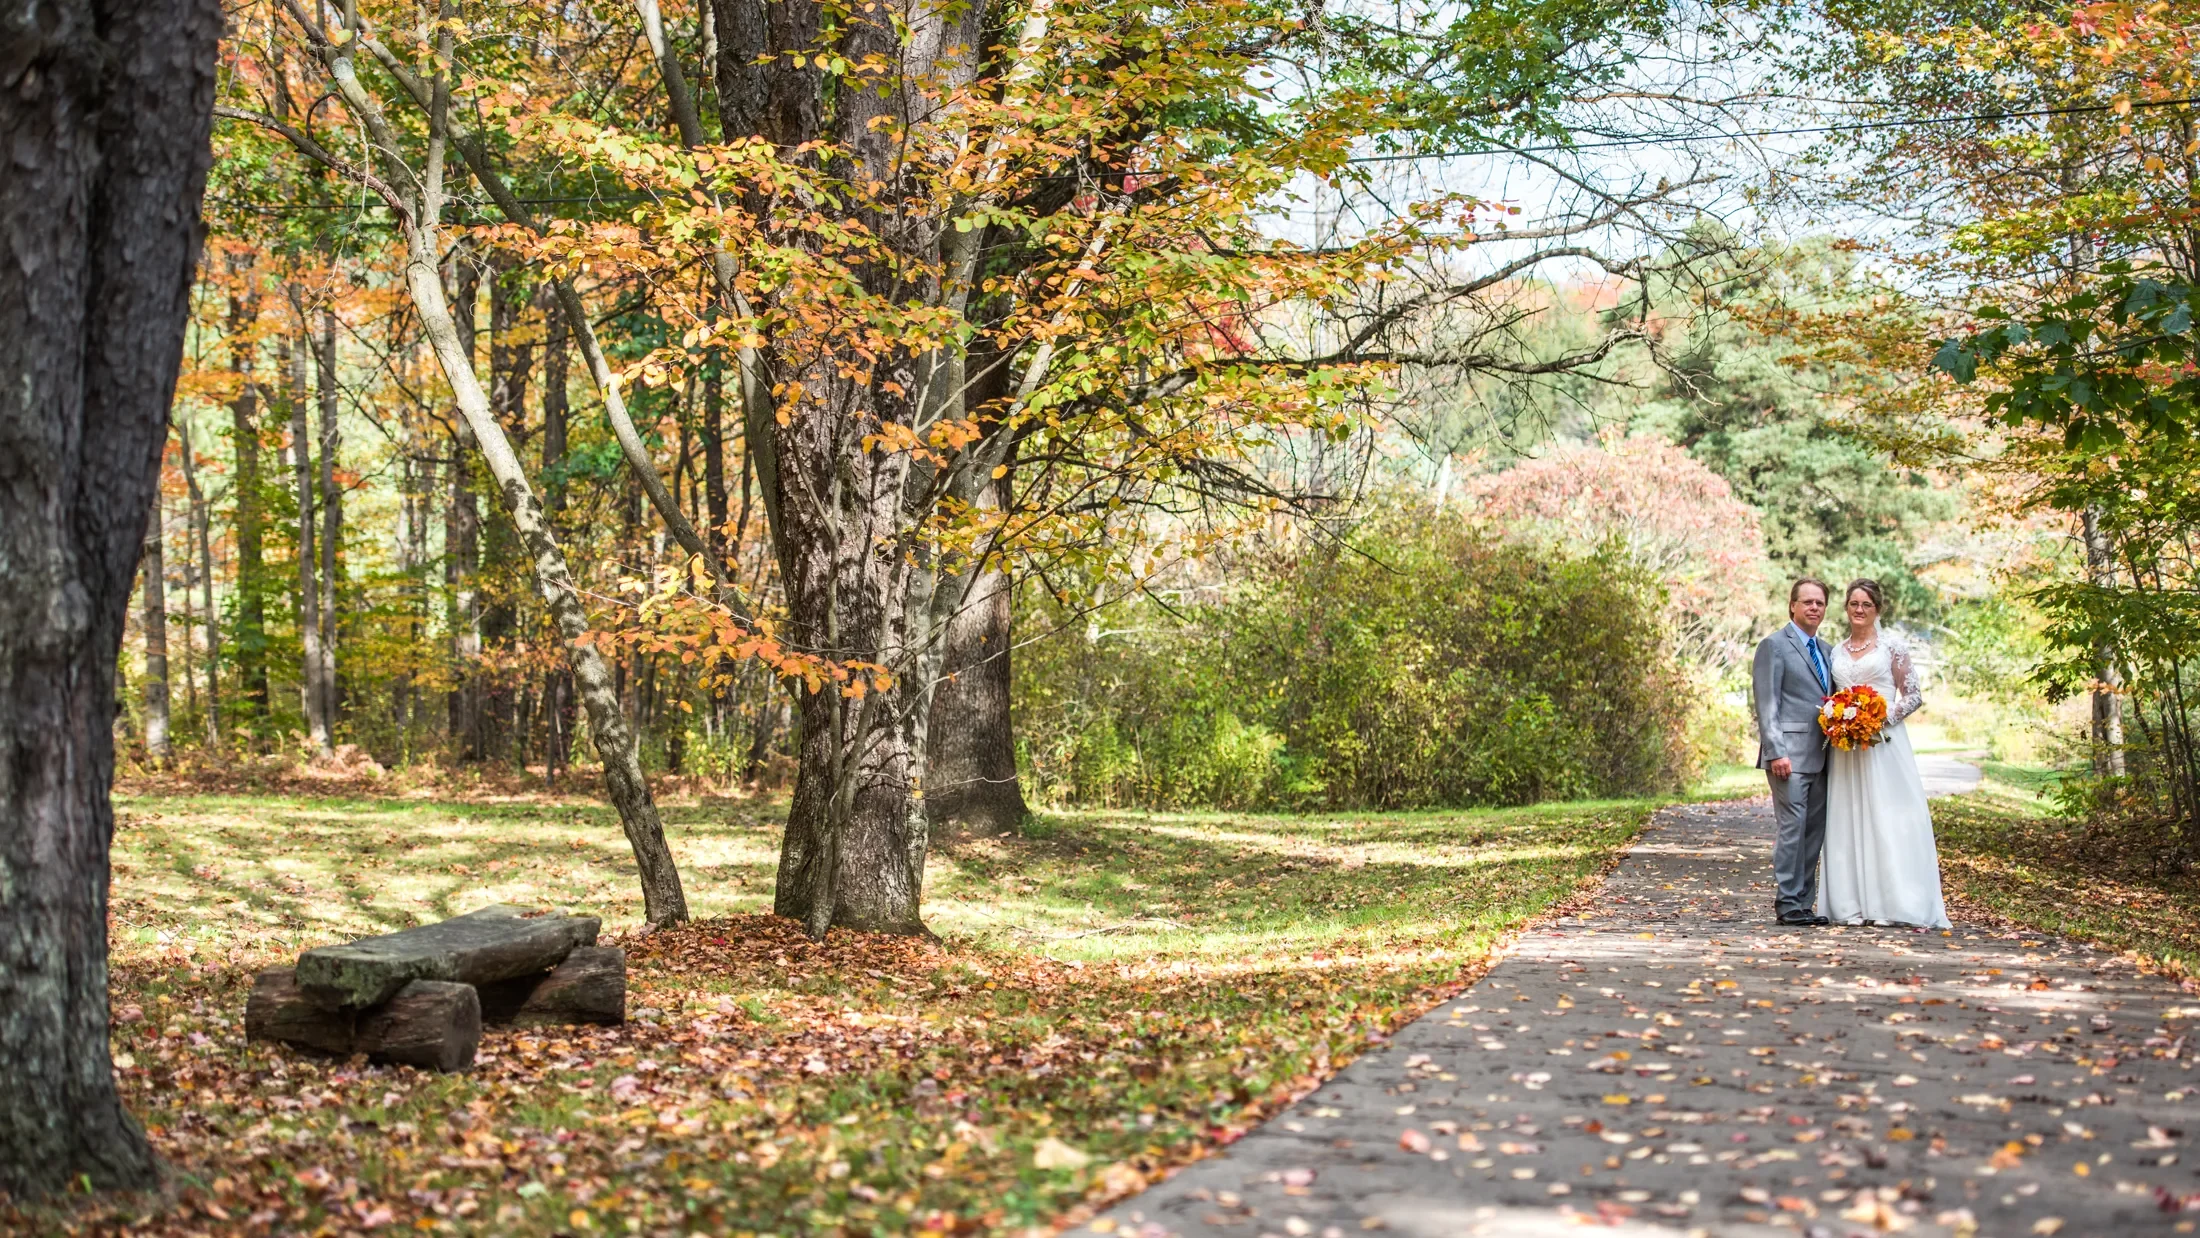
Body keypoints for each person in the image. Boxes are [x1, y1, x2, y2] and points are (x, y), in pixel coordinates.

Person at [1816, 579, 1951, 928]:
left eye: (1867, 605)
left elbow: (1913, 695)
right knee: (1848, 818)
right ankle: (1850, 904)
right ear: (1846, 608)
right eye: (1853, 604)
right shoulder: (1836, 651)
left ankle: (1895, 903)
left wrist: (1877, 719)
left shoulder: (1892, 647)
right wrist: (1841, 720)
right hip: (1847, 749)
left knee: (1889, 818)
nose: (1859, 610)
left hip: (1884, 745)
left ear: (1878, 609)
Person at [1753, 578, 1836, 926]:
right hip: (1788, 756)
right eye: (1807, 602)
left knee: (1813, 831)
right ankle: (1787, 902)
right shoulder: (1773, 645)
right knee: (1792, 828)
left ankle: (1804, 903)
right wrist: (1776, 752)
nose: (1814, 608)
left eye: (1819, 603)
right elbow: (1767, 701)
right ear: (1792, 606)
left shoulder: (1828, 651)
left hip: (1824, 756)